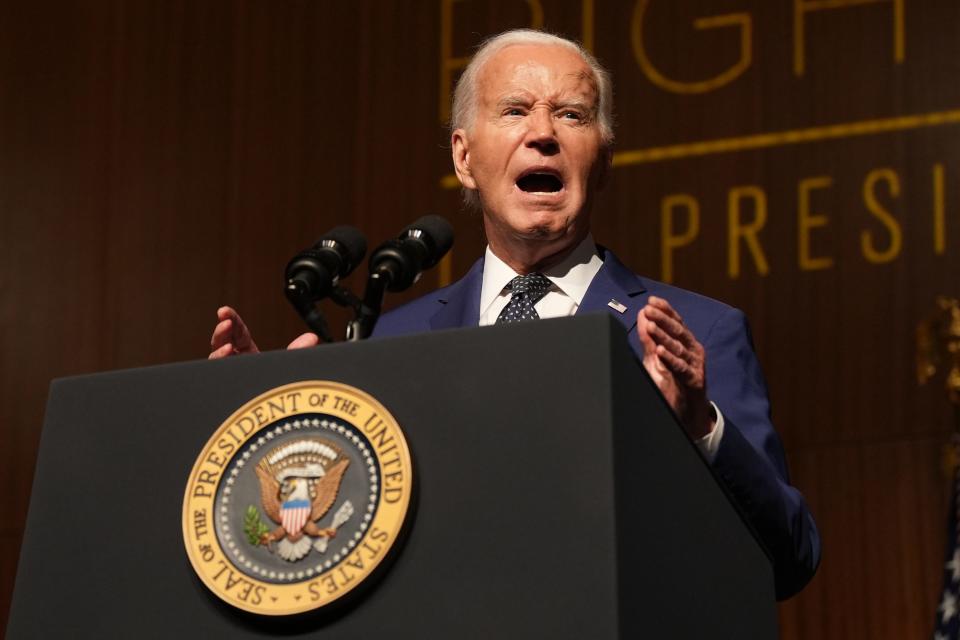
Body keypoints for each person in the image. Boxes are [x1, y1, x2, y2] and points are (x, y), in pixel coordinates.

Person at [210, 29, 820, 599]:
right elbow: (344, 548)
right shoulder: (385, 342)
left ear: (602, 159)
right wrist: (285, 426)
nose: (543, 133)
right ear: (463, 156)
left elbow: (790, 556)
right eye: (514, 110)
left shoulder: (701, 332)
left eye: (571, 115)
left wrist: (699, 426)